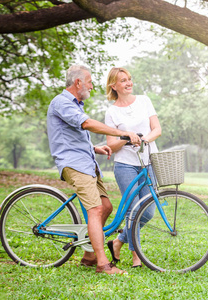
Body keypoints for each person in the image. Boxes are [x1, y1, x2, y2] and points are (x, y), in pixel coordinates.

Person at [47, 65, 140, 275]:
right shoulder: (61, 102)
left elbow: (72, 137)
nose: (91, 86)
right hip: (74, 165)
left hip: (87, 162)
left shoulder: (76, 105)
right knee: (95, 209)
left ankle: (89, 254)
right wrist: (123, 133)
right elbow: (87, 124)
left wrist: (94, 148)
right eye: (89, 82)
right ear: (78, 82)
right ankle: (102, 264)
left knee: (105, 206)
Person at [104, 67, 162, 268]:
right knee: (133, 210)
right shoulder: (111, 112)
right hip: (125, 166)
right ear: (114, 85)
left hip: (148, 163)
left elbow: (157, 129)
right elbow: (110, 144)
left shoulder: (144, 101)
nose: (128, 83)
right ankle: (136, 255)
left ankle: (118, 242)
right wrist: (127, 137)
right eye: (123, 80)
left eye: (129, 79)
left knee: (148, 211)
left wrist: (144, 139)